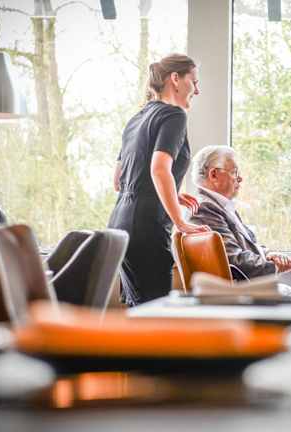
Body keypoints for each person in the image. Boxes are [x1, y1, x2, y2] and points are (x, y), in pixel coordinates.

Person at [108, 53, 210, 306]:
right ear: (175, 79)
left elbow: (119, 180)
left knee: (140, 311)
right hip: (147, 228)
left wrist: (172, 193)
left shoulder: (137, 118)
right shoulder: (174, 116)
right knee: (156, 313)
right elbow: (159, 169)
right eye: (194, 82)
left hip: (120, 224)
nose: (197, 90)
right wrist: (180, 222)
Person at [188, 146, 291, 279]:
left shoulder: (219, 206)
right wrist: (275, 266)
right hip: (238, 289)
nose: (240, 178)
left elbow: (244, 246)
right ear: (213, 174)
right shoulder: (205, 209)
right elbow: (233, 260)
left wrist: (268, 254)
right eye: (234, 172)